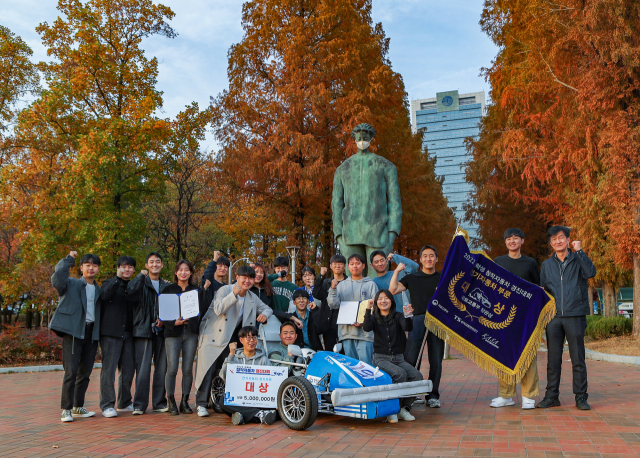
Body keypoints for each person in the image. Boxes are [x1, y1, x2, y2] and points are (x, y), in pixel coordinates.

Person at [194, 265, 273, 417]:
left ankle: (219, 400)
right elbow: (218, 309)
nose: (247, 280)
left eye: (250, 278)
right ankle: (201, 404)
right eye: (244, 277)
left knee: (227, 369)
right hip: (214, 335)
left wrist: (264, 315)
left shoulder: (252, 296)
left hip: (234, 338)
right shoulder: (225, 290)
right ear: (237, 278)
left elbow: (267, 308)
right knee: (207, 369)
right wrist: (233, 295)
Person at [537, 226, 596, 411]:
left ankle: (581, 397)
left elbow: (590, 273)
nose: (557, 241)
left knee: (578, 358)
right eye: (553, 239)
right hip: (554, 318)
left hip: (575, 314)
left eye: (561, 238)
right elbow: (543, 289)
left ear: (568, 240)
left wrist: (580, 251)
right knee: (553, 359)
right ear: (550, 243)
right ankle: (552, 396)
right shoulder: (546, 265)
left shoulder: (578, 259)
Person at [490, 228, 541, 410]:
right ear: (505, 242)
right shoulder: (498, 262)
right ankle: (506, 395)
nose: (512, 241)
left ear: (522, 241)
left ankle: (528, 396)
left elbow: (537, 287)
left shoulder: (530, 263)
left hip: (526, 317)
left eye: (516, 238)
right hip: (503, 317)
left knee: (528, 354)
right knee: (504, 355)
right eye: (509, 239)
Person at [50, 251, 102, 422]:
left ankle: (78, 406)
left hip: (91, 333)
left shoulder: (98, 290)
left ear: (98, 269)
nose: (91, 268)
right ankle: (66, 409)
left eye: (94, 265)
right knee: (71, 372)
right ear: (81, 268)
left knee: (85, 372)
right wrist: (68, 260)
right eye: (88, 265)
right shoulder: (71, 284)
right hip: (73, 332)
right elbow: (57, 278)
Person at [389, 245, 443, 408]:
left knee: (436, 360)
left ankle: (432, 395)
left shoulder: (443, 278)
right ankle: (411, 394)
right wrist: (397, 271)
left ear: (436, 259)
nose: (428, 259)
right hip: (417, 320)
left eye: (431, 256)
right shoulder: (412, 278)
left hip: (437, 321)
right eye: (425, 256)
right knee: (411, 358)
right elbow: (393, 289)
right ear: (420, 259)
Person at [363, 289, 422, 423]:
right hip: (380, 358)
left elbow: (408, 327)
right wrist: (368, 309)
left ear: (391, 301)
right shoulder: (373, 317)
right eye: (380, 299)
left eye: (386, 298)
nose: (383, 301)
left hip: (399, 358)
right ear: (376, 303)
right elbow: (366, 327)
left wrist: (408, 316)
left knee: (417, 376)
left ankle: (403, 408)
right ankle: (392, 410)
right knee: (400, 374)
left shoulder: (398, 316)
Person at [162, 260, 211, 416]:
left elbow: (202, 309)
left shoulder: (196, 290)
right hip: (172, 332)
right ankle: (171, 401)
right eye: (180, 270)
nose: (183, 272)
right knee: (172, 368)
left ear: (190, 273)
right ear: (176, 272)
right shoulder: (168, 289)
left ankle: (184, 401)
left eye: (187, 270)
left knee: (188, 369)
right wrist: (173, 322)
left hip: (191, 332)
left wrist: (205, 290)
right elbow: (162, 311)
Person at [127, 252, 170, 415]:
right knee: (143, 369)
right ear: (146, 265)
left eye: (158, 262)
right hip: (143, 329)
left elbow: (171, 307)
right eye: (151, 262)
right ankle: (139, 404)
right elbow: (130, 294)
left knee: (161, 368)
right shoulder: (140, 283)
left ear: (162, 265)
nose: (154, 265)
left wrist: (164, 320)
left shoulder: (167, 285)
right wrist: (140, 277)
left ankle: (159, 403)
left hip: (161, 331)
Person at [99, 256, 137, 418]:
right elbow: (105, 296)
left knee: (128, 369)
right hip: (111, 333)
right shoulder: (108, 283)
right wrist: (117, 279)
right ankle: (107, 404)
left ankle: (125, 401)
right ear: (117, 268)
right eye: (123, 266)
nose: (126, 269)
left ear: (134, 269)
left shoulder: (134, 285)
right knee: (108, 371)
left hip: (129, 334)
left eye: (130, 267)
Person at [328, 253, 378, 364]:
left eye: (358, 263)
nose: (355, 266)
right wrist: (332, 289)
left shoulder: (371, 285)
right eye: (352, 264)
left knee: (366, 367)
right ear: (348, 266)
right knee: (351, 368)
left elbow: (376, 307)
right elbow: (333, 305)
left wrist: (365, 321)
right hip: (346, 333)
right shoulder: (341, 285)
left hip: (365, 335)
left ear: (363, 266)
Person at [220, 326, 276, 425]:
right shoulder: (235, 357)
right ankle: (259, 414)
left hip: (259, 398)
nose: (252, 341)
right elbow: (224, 376)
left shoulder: (264, 360)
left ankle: (242, 416)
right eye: (248, 338)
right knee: (222, 401)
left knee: (276, 407)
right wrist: (231, 354)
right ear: (241, 340)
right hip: (240, 397)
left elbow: (271, 382)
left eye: (254, 338)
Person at [314, 254, 347, 351]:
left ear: (345, 266)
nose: (337, 266)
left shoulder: (349, 282)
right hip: (328, 325)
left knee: (345, 353)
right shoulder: (325, 282)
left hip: (344, 325)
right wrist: (321, 276)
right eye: (335, 264)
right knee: (330, 353)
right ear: (331, 266)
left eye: (340, 263)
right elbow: (316, 294)